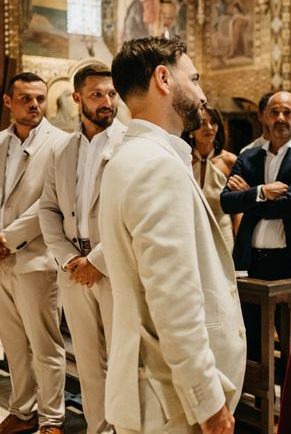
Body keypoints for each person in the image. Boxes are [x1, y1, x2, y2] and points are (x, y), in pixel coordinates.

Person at [101, 37, 246, 434]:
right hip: (171, 404)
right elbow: (173, 299)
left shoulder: (127, 157)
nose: (201, 92)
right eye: (194, 78)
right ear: (163, 78)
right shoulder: (155, 166)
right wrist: (208, 402)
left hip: (154, 390)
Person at [39, 63, 125, 434]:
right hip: (74, 268)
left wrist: (97, 260)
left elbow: (132, 214)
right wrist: (70, 258)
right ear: (77, 98)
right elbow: (47, 207)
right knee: (88, 362)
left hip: (114, 266)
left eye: (111, 94)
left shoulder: (129, 144)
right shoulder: (61, 149)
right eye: (96, 95)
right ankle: (97, 429)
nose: (106, 102)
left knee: (123, 360)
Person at [220, 91, 291, 360]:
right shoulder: (249, 157)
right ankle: (260, 394)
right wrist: (261, 192)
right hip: (253, 260)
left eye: (287, 113)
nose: (280, 118)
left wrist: (249, 197)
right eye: (274, 112)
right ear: (264, 117)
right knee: (251, 331)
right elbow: (227, 202)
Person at [0, 73, 69, 434]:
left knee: (45, 343)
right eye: (26, 98)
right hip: (1, 263)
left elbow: (50, 200)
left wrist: (8, 238)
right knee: (12, 343)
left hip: (36, 256)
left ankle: (53, 418)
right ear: (9, 102)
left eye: (40, 98)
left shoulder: (61, 143)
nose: (35, 105)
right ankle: (22, 409)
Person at [183, 103, 238, 252]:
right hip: (189, 235)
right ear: (191, 129)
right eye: (202, 122)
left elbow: (238, 208)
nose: (208, 127)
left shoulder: (230, 161)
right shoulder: (182, 160)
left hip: (222, 234)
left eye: (213, 122)